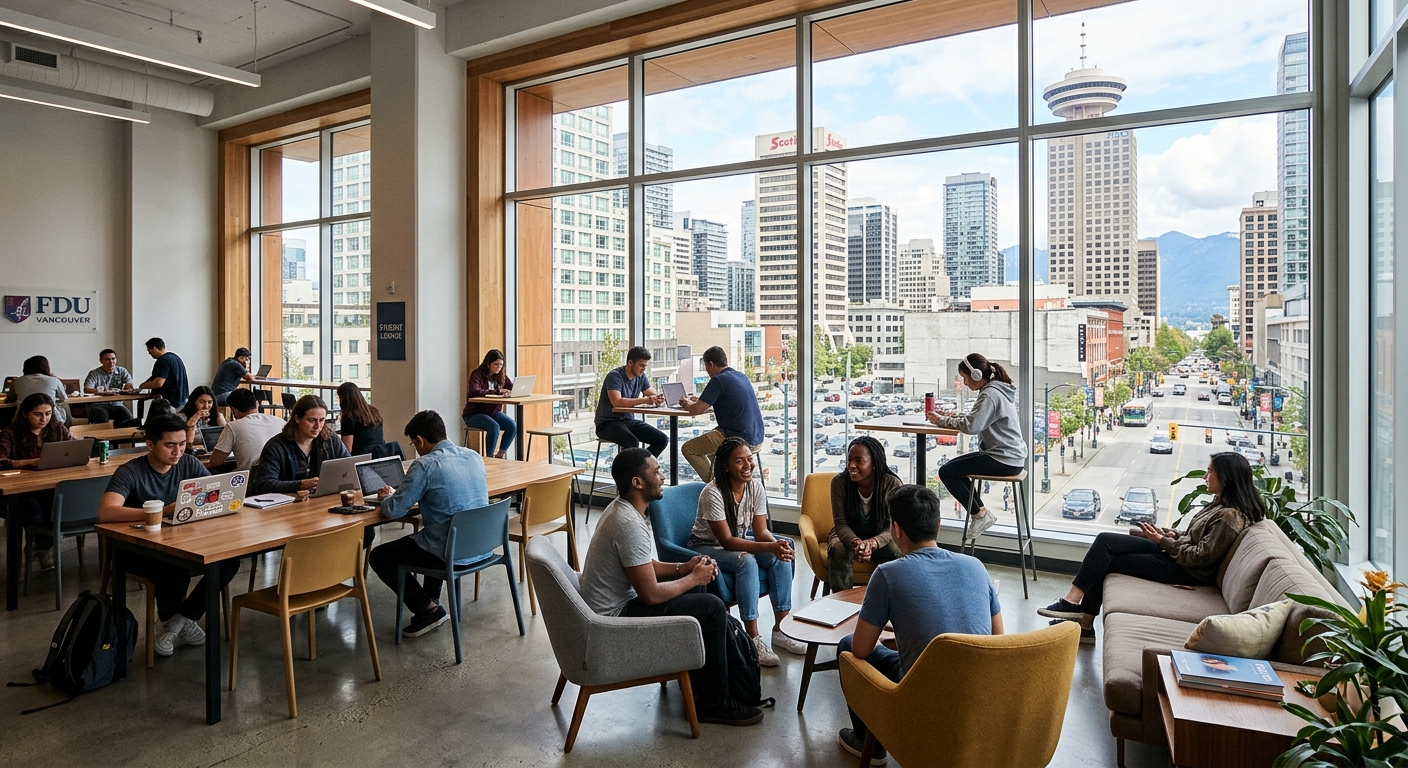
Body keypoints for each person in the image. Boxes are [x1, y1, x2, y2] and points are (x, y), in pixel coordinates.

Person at [579, 447, 763, 726]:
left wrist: (685, 568)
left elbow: (643, 565)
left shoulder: (622, 510)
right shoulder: (629, 524)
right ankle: (715, 703)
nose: (663, 476)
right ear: (637, 483)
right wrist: (693, 578)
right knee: (712, 606)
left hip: (619, 605)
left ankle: (698, 680)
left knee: (701, 592)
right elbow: (650, 594)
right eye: (656, 471)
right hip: (615, 619)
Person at [837, 485, 1004, 763]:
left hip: (922, 699)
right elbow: (998, 640)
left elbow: (862, 648)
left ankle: (869, 743)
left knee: (846, 646)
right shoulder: (975, 565)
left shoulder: (888, 574)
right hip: (980, 696)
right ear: (938, 525)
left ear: (896, 530)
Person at [1038, 452, 1266, 643]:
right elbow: (1193, 537)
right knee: (1105, 540)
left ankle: (1082, 620)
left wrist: (1163, 542)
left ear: (1226, 478)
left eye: (1210, 472)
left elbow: (1199, 557)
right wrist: (1169, 534)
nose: (1205, 476)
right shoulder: (1220, 504)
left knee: (1110, 561)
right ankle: (1074, 605)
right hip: (1175, 553)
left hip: (1184, 569)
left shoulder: (1229, 517)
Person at [97, 414, 240, 656]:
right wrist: (161, 511)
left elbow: (213, 490)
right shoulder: (130, 471)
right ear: (151, 445)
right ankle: (176, 622)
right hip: (136, 549)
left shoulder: (187, 463)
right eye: (170, 445)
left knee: (229, 560)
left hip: (182, 540)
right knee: (174, 573)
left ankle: (180, 620)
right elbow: (105, 512)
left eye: (183, 444)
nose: (178, 451)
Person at [368, 410, 488, 637]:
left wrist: (385, 496)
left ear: (420, 440)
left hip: (450, 551)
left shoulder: (424, 465)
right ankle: (431, 598)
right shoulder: (473, 456)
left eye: (414, 443)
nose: (416, 448)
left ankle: (427, 610)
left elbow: (394, 510)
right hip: (480, 545)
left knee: (380, 556)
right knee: (432, 533)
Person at [688, 437, 806, 666]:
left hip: (735, 542)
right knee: (747, 561)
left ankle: (781, 629)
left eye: (749, 459)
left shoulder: (755, 487)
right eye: (739, 461)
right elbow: (727, 541)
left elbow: (761, 532)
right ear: (725, 466)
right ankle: (753, 637)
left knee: (780, 552)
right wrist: (770, 547)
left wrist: (776, 546)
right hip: (706, 547)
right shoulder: (712, 493)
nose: (748, 465)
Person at [927, 353, 1026, 543]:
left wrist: (941, 420)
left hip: (1004, 459)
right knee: (955, 469)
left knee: (947, 472)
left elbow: (972, 426)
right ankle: (980, 514)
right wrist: (953, 416)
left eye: (965, 378)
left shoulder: (990, 394)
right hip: (1010, 457)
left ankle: (979, 515)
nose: (964, 383)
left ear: (975, 375)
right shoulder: (995, 390)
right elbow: (977, 418)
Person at [0, 393, 75, 569]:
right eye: (38, 414)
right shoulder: (10, 433)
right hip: (19, 490)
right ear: (25, 414)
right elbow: (1, 461)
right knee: (35, 511)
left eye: (48, 413)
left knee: (59, 504)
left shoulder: (57, 428)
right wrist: (30, 462)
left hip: (50, 485)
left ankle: (40, 546)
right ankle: (40, 548)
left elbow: (73, 448)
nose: (44, 419)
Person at [828, 436, 905, 593]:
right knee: (838, 548)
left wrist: (872, 543)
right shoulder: (839, 483)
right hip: (848, 535)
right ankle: (841, 603)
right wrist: (857, 542)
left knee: (895, 550)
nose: (851, 465)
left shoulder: (891, 484)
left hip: (880, 536)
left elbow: (891, 526)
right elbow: (841, 524)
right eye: (849, 459)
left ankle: (893, 599)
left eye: (859, 460)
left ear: (874, 464)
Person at [676, 346, 765, 482]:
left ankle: (718, 485)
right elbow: (724, 399)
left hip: (736, 437)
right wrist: (700, 401)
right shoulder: (740, 376)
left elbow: (696, 410)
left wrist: (687, 403)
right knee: (713, 453)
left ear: (710, 364)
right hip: (757, 437)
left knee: (688, 449)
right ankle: (726, 483)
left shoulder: (718, 380)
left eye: (705, 366)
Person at [250, 394, 351, 495]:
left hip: (321, 500)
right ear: (297, 419)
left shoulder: (331, 440)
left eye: (322, 420)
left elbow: (349, 467)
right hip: (287, 505)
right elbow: (264, 483)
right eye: (312, 420)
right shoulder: (276, 446)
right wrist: (300, 485)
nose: (318, 426)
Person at [593, 345, 669, 457]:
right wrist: (646, 400)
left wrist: (658, 398)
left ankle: (642, 467)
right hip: (607, 423)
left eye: (645, 366)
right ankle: (630, 472)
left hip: (628, 421)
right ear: (630, 363)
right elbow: (617, 402)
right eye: (641, 365)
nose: (643, 369)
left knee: (661, 439)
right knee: (631, 442)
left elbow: (651, 392)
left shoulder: (641, 376)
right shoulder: (614, 376)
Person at [208, 387, 286, 471]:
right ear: (257, 404)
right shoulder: (280, 422)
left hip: (253, 479)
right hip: (284, 475)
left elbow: (215, 462)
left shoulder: (233, 426)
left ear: (233, 410)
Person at [461, 350, 516, 459]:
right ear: (488, 363)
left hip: (493, 412)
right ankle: (489, 458)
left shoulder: (500, 376)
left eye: (501, 365)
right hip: (474, 414)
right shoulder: (477, 374)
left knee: (512, 426)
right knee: (494, 427)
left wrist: (512, 391)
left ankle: (500, 454)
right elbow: (474, 392)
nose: (498, 367)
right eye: (496, 364)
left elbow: (511, 387)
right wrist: (497, 392)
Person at [82, 348, 138, 427]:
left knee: (128, 418)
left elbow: (129, 383)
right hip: (98, 404)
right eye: (107, 359)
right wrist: (100, 391)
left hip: (116, 404)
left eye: (113, 359)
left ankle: (123, 439)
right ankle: (102, 439)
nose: (111, 362)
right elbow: (87, 389)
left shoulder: (122, 371)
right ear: (101, 361)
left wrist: (128, 386)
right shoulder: (94, 373)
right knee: (101, 416)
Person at [11, 355, 69, 425]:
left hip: (22, 419)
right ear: (46, 368)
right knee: (64, 407)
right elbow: (63, 398)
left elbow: (11, 398)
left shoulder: (17, 381)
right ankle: (69, 427)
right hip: (51, 419)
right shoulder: (54, 380)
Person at [139, 337, 189, 409]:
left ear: (154, 348)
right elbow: (157, 376)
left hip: (169, 403)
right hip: (181, 400)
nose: (150, 354)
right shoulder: (175, 358)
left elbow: (158, 382)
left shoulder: (163, 360)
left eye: (149, 351)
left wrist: (143, 386)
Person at [336, 382, 385, 455]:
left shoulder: (349, 416)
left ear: (343, 398)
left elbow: (347, 449)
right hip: (380, 454)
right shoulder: (374, 411)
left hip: (361, 458)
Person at [179, 386, 226, 451]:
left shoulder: (217, 417)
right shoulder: (181, 418)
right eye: (202, 402)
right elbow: (187, 443)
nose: (206, 406)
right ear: (194, 402)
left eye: (209, 402)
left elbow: (226, 440)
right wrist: (194, 420)